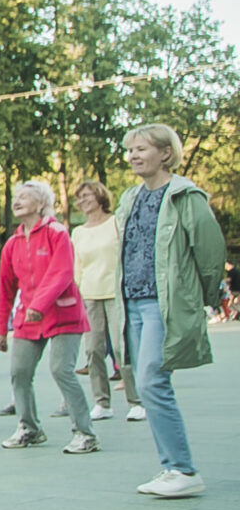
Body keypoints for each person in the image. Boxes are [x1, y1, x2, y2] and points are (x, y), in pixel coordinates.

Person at [118, 123, 225, 498]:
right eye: (131, 150)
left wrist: (200, 300)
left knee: (152, 381)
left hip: (164, 304)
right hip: (133, 302)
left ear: (166, 153)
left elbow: (210, 254)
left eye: (141, 148)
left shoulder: (185, 196)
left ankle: (182, 469)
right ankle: (173, 467)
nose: (133, 156)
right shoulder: (130, 198)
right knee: (145, 383)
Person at [0, 181, 95, 453]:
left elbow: (62, 273)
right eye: (16, 197)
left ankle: (84, 433)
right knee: (19, 372)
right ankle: (29, 428)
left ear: (41, 204)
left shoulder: (56, 232)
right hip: (29, 318)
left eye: (24, 197)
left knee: (61, 370)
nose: (17, 201)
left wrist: (40, 304)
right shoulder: (12, 244)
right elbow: (5, 290)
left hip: (63, 313)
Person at [71, 180, 145, 422]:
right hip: (89, 295)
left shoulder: (116, 223)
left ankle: (136, 401)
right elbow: (77, 267)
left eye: (87, 195)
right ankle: (102, 402)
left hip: (115, 293)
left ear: (100, 196)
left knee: (122, 348)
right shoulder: (78, 232)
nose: (83, 200)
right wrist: (76, 296)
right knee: (93, 350)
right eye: (80, 197)